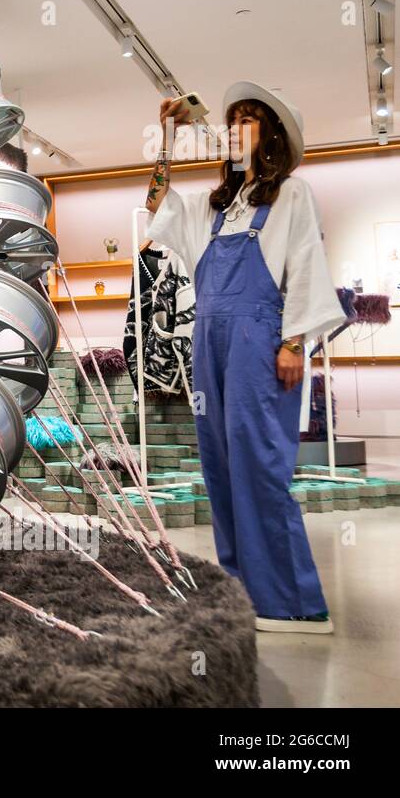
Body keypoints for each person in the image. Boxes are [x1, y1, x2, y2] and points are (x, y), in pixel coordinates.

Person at [145, 82, 345, 634]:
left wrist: (294, 342)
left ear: (272, 136)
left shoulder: (292, 196)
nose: (235, 129)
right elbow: (157, 206)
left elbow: (305, 263)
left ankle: (296, 602)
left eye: (249, 120)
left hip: (261, 342)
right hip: (208, 342)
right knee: (221, 468)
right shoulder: (216, 208)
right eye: (232, 121)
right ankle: (243, 593)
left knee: (260, 467)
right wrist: (166, 136)